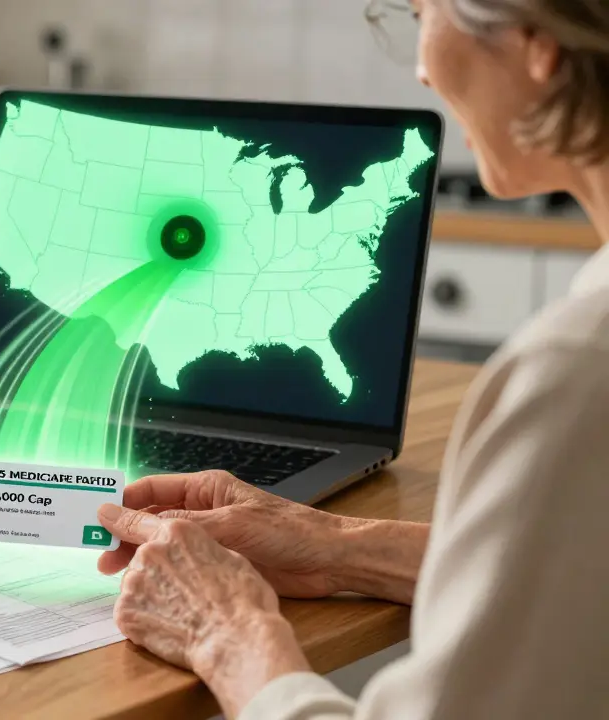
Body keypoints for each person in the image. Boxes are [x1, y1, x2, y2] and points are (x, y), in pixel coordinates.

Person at [95, 0, 609, 718]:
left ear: (536, 43)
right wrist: (332, 543)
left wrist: (225, 630)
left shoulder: (577, 376)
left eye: (425, 11)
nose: (424, 67)